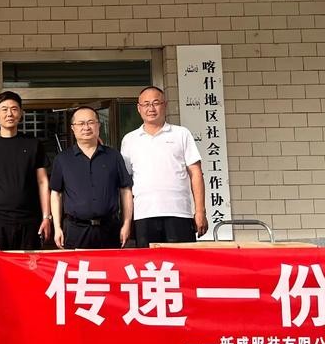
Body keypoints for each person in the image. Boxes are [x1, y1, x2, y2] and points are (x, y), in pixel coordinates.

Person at [120, 85, 208, 247]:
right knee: (149, 262)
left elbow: (196, 173)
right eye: (146, 104)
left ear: (165, 105)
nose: (151, 108)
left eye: (156, 103)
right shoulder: (129, 140)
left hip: (179, 212)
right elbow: (126, 184)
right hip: (143, 214)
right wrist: (127, 220)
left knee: (181, 260)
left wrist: (200, 210)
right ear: (139, 108)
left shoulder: (181, 134)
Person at [0, 91, 51, 249]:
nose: (9, 114)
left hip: (29, 218)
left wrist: (46, 217)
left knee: (29, 262)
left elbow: (42, 182)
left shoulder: (33, 144)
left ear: (21, 113)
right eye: (4, 109)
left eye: (14, 109)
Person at [49, 106, 133, 249]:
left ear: (98, 125)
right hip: (75, 230)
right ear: (73, 128)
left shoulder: (113, 156)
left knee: (110, 263)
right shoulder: (62, 159)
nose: (86, 127)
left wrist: (126, 224)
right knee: (77, 264)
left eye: (90, 122)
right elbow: (56, 194)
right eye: (81, 123)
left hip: (109, 229)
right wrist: (57, 227)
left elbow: (125, 191)